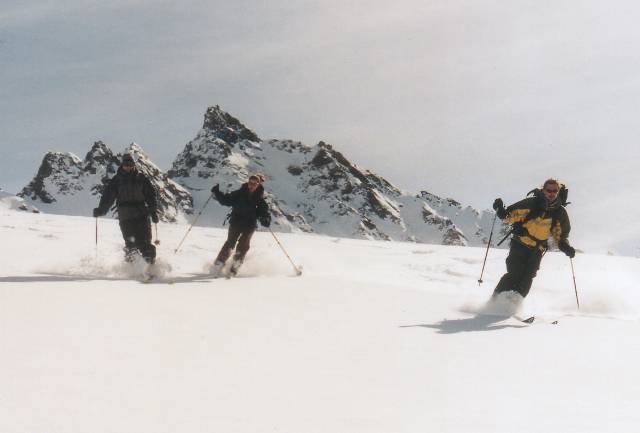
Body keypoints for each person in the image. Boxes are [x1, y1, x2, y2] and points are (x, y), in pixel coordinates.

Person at [491, 178, 576, 299]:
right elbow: (510, 216)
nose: (551, 193)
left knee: (527, 277)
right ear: (543, 190)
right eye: (549, 190)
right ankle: (495, 301)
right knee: (515, 274)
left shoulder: (560, 212)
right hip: (520, 244)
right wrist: (500, 210)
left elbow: (561, 236)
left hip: (537, 250)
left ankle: (514, 305)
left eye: (554, 191)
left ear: (558, 192)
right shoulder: (531, 203)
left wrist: (565, 247)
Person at [93, 153, 159, 264]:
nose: (128, 166)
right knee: (131, 245)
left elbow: (150, 196)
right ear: (122, 165)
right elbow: (108, 197)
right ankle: (132, 270)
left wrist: (153, 212)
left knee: (145, 244)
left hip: (141, 215)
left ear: (134, 165)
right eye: (125, 164)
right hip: (126, 217)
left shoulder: (141, 178)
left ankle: (150, 269)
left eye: (130, 164)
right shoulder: (117, 180)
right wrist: (101, 210)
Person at [210, 174, 270, 277]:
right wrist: (217, 192)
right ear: (248, 182)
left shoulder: (260, 199)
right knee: (230, 243)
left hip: (249, 225)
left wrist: (265, 219)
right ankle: (219, 264)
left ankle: (235, 267)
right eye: (250, 183)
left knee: (243, 245)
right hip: (236, 222)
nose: (251, 185)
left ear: (258, 184)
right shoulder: (239, 193)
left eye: (254, 184)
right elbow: (226, 200)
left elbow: (264, 213)